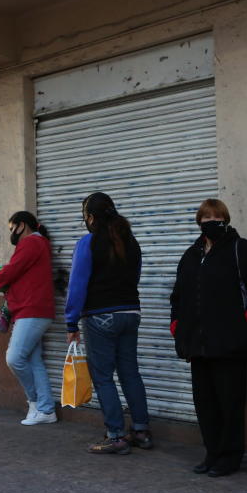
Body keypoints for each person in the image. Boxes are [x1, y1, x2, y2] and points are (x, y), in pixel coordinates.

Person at [170, 199, 247, 478]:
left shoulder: (242, 250)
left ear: (225, 219)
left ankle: (229, 456)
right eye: (205, 217)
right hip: (198, 345)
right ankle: (212, 453)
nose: (210, 222)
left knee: (230, 403)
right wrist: (178, 325)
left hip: (230, 345)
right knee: (205, 404)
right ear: (198, 222)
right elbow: (178, 295)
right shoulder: (191, 254)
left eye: (216, 217)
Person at [65, 192, 151, 454]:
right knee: (130, 372)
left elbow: (77, 285)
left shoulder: (88, 243)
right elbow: (134, 277)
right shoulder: (130, 242)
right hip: (131, 313)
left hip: (100, 315)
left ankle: (116, 436)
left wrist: (71, 322)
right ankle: (141, 431)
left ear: (91, 217)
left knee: (103, 377)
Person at [0, 212, 57, 425]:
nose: (11, 232)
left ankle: (34, 402)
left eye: (12, 227)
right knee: (34, 361)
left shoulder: (31, 243)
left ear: (22, 225)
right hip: (35, 309)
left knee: (14, 357)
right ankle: (47, 411)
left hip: (32, 310)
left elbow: (10, 272)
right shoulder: (39, 243)